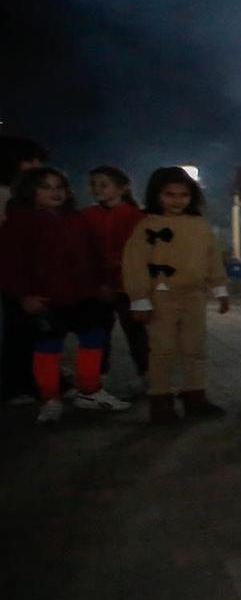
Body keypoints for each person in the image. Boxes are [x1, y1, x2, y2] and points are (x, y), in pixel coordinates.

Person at [0, 167, 130, 423]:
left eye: (59, 186)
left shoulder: (76, 218)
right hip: (45, 298)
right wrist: (24, 296)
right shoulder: (19, 222)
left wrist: (102, 283)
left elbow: (95, 254)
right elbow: (10, 264)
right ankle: (49, 398)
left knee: (93, 339)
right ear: (31, 191)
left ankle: (90, 391)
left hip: (84, 294)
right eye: (46, 187)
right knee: (48, 347)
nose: (55, 192)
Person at [123, 166, 229, 423]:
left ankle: (195, 395)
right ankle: (160, 401)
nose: (177, 200)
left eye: (183, 195)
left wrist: (220, 289)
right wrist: (139, 299)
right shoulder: (147, 226)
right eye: (169, 194)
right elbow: (134, 264)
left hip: (194, 296)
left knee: (195, 348)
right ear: (157, 195)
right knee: (161, 350)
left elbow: (212, 257)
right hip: (161, 296)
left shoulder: (199, 225)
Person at [83, 165, 148, 384]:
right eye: (93, 184)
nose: (96, 189)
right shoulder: (87, 216)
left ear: (122, 188)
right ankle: (94, 379)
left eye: (103, 184)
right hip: (99, 286)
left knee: (137, 335)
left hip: (128, 286)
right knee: (97, 335)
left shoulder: (136, 216)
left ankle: (147, 375)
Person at [0, 138, 51, 404]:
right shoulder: (7, 196)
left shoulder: (23, 197)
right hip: (13, 274)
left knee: (32, 329)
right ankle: (16, 385)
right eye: (30, 160)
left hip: (29, 273)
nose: (36, 166)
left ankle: (34, 378)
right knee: (17, 330)